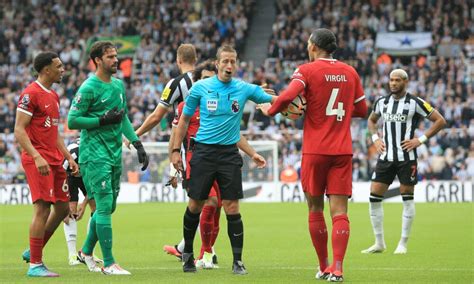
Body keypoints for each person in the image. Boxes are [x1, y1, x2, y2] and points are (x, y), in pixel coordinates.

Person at [259, 28, 368, 282]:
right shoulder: (350, 72)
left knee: (315, 208)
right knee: (340, 212)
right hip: (342, 150)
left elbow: (287, 96)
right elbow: (362, 109)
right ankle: (338, 269)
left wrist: (270, 110)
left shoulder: (306, 71)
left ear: (312, 46)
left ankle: (323, 266)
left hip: (315, 149)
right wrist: (334, 115)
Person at [171, 45, 276, 274]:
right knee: (195, 205)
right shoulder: (200, 88)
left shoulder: (244, 88)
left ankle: (237, 261)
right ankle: (188, 253)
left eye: (233, 62)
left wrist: (287, 102)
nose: (229, 66)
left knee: (232, 207)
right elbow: (184, 121)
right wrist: (174, 151)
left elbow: (271, 100)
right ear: (217, 63)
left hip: (229, 155)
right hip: (204, 153)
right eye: (225, 61)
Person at [68, 41, 149, 275]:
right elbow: (73, 120)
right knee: (103, 207)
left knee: (109, 207)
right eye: (111, 57)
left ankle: (84, 252)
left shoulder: (117, 85)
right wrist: (101, 121)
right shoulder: (88, 87)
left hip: (114, 153)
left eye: (116, 56)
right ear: (97, 61)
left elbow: (122, 118)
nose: (116, 60)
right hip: (94, 155)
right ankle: (110, 263)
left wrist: (136, 142)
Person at [361, 69, 446, 255]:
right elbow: (371, 119)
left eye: (397, 80)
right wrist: (375, 138)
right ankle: (379, 242)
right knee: (374, 196)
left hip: (406, 159)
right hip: (386, 157)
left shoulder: (415, 103)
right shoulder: (382, 102)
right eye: (391, 80)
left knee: (407, 197)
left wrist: (420, 140)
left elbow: (440, 121)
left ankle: (403, 243)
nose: (393, 83)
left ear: (405, 82)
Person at [15, 51, 79, 277]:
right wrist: (36, 156)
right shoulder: (30, 94)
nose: (63, 69)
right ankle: (35, 265)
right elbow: (19, 130)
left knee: (62, 208)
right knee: (42, 208)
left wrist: (68, 157)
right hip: (38, 159)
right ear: (46, 70)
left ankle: (35, 248)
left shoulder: (52, 95)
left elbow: (55, 133)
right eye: (59, 66)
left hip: (54, 158)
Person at [133, 43, 197, 140]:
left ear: (178, 61)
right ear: (195, 60)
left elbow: (156, 116)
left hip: (186, 142)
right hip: (209, 142)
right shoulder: (208, 80)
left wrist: (135, 134)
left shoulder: (175, 83)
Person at [61, 138, 102, 266]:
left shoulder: (96, 158)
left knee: (96, 208)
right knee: (70, 211)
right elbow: (59, 177)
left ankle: (88, 252)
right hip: (68, 177)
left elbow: (94, 188)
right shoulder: (69, 158)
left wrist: (83, 205)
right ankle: (72, 255)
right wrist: (63, 204)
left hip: (87, 177)